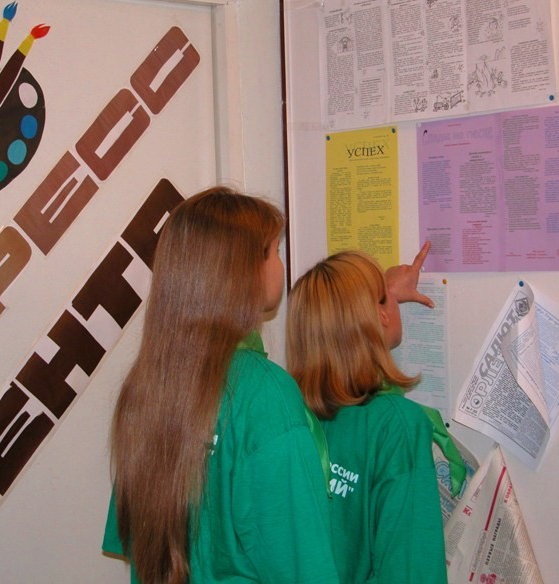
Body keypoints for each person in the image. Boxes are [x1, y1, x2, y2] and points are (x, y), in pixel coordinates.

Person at [102, 186, 340, 584]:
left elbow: (137, 540)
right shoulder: (265, 394)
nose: (280, 263)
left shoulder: (147, 385)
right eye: (274, 251)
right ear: (243, 271)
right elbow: (303, 566)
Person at [286, 243, 448, 584]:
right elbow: (412, 572)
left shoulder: (288, 414)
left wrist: (382, 295)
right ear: (381, 317)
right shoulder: (397, 425)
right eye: (384, 299)